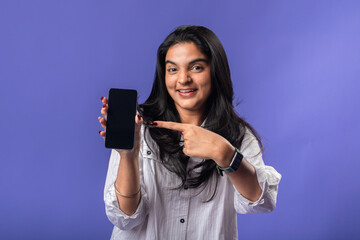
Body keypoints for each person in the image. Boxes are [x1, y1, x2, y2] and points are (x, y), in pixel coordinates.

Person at [98, 25, 281, 239]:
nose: (183, 79)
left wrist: (224, 153)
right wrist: (128, 156)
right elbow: (125, 217)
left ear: (215, 71)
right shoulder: (139, 127)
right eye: (172, 69)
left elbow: (262, 201)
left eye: (196, 67)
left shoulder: (237, 134)